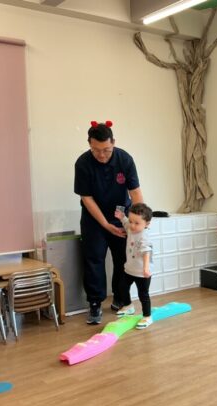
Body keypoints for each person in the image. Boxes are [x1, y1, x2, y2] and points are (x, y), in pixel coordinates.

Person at [74, 120, 143, 325]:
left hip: (121, 217)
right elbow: (87, 198)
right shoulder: (83, 163)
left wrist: (139, 222)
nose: (102, 155)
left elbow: (135, 193)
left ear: (113, 142)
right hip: (94, 219)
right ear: (89, 144)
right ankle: (95, 303)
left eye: (106, 150)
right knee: (94, 259)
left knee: (123, 259)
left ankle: (120, 298)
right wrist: (105, 224)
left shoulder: (125, 159)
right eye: (96, 150)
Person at [114, 203, 154, 329]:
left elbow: (146, 252)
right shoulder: (131, 228)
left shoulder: (144, 236)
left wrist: (146, 268)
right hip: (130, 269)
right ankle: (128, 306)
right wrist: (122, 217)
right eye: (132, 221)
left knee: (143, 295)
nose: (132, 225)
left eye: (137, 223)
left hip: (142, 272)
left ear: (147, 224)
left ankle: (147, 316)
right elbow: (126, 223)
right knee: (122, 287)